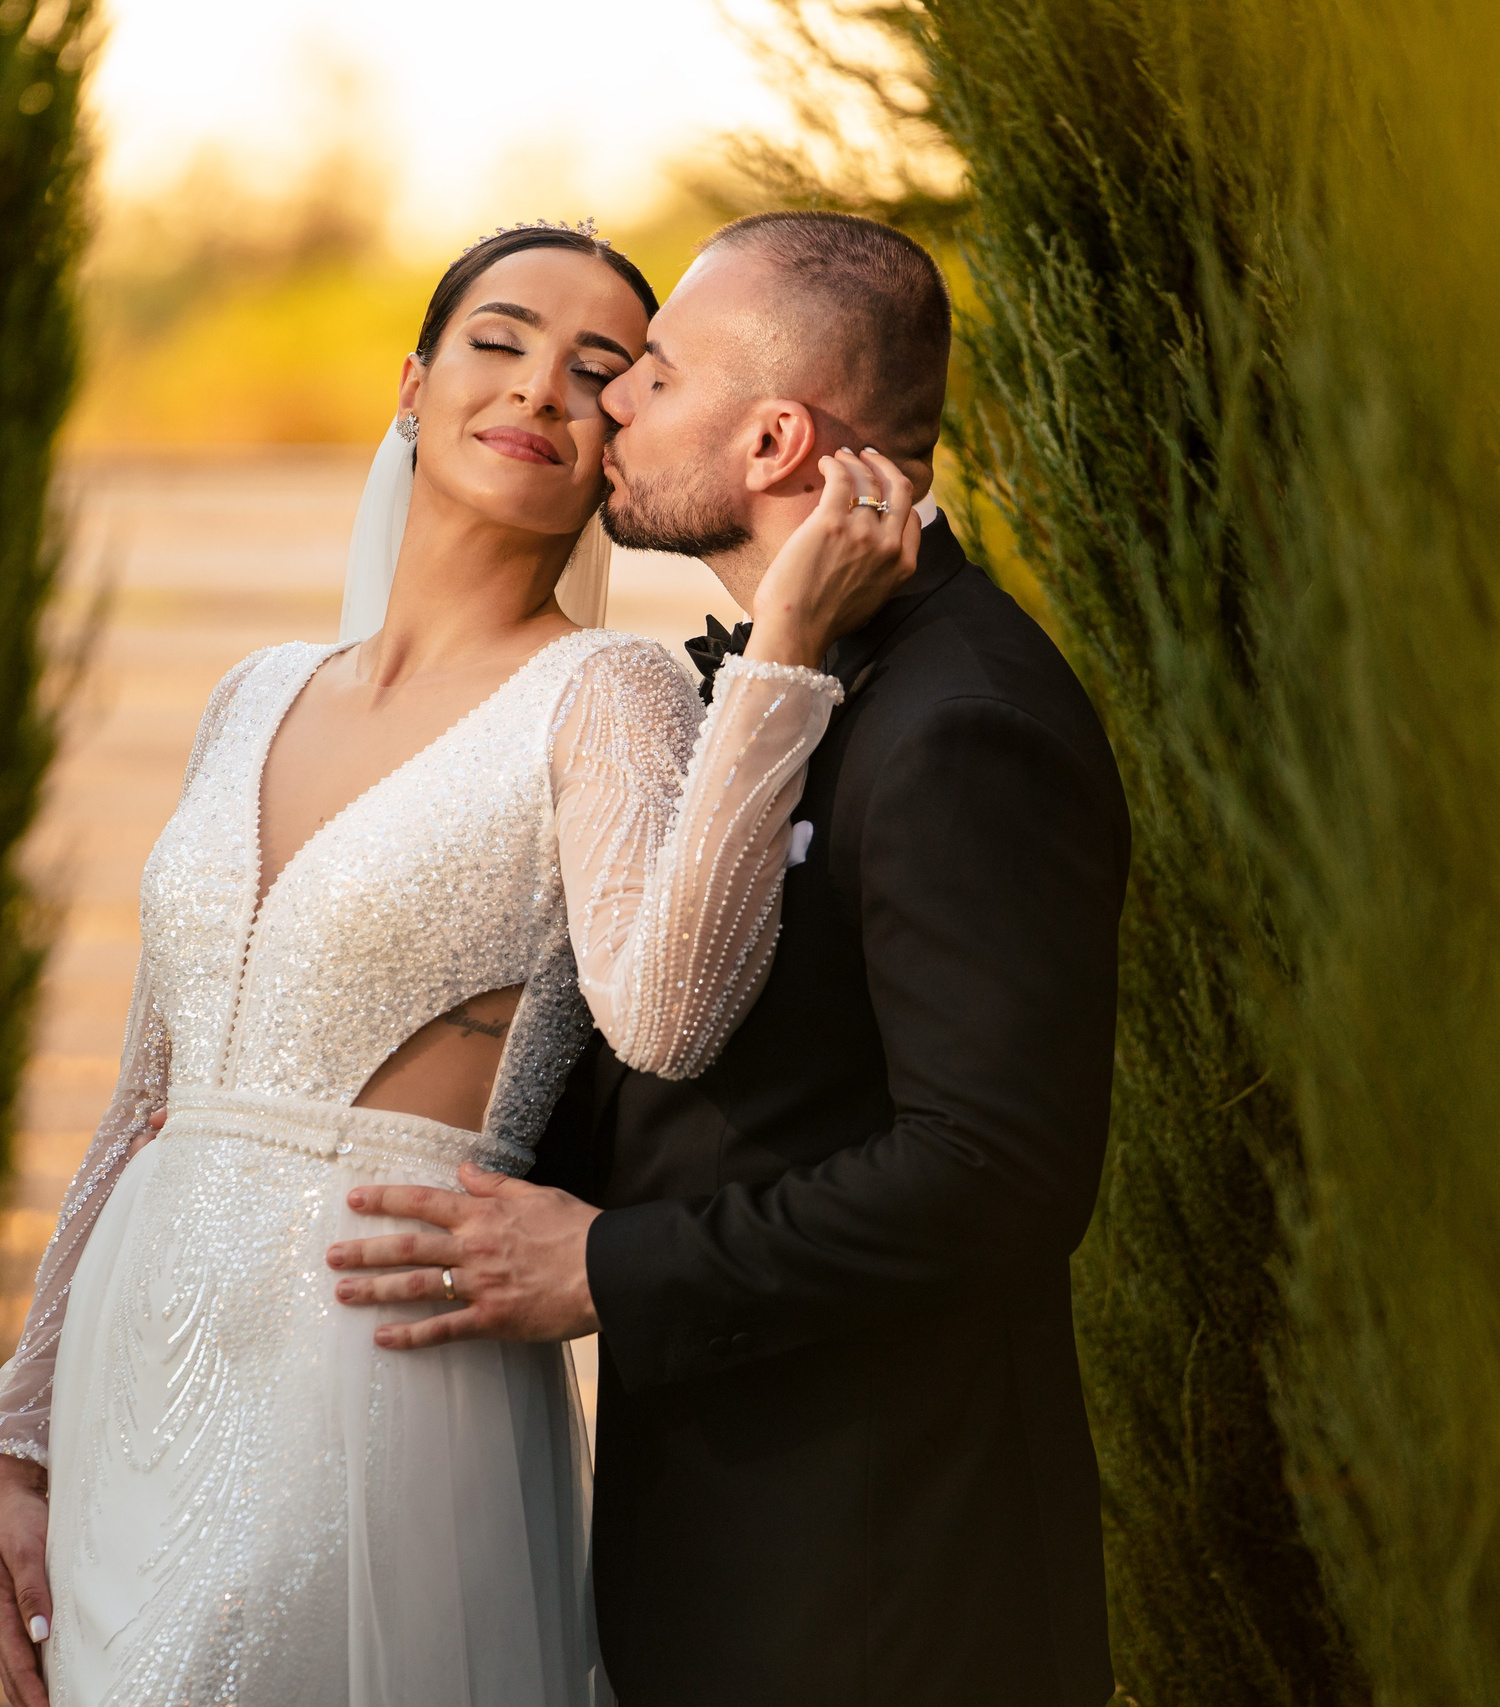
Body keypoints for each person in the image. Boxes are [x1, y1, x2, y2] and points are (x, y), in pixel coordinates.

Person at [0, 220, 919, 1707]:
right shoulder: (255, 692)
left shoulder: (607, 694)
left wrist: (783, 646)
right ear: (414, 384)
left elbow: (671, 1016)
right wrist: (19, 1430)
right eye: (500, 340)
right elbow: (147, 1093)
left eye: (597, 370)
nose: (540, 387)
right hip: (136, 1367)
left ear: (621, 442)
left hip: (369, 1351)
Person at [325, 212, 1131, 1704]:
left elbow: (995, 1176)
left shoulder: (964, 721)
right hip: (714, 1556)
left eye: (655, 372)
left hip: (883, 1594)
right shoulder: (773, 680)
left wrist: (605, 1265)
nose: (610, 401)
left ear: (774, 441)